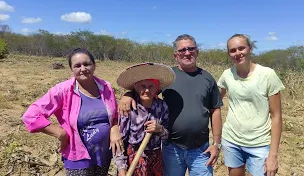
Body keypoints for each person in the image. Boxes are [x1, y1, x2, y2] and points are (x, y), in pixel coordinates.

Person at [118, 34, 223, 176]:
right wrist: (127, 95)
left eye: (191, 49)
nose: (187, 52)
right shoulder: (169, 77)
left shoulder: (207, 78)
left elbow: (215, 110)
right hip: (172, 148)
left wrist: (216, 144)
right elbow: (146, 92)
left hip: (201, 149)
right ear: (176, 55)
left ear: (197, 51)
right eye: (182, 50)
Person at [22, 48, 124, 176]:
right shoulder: (62, 90)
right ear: (71, 69)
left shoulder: (106, 87)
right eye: (77, 65)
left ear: (94, 65)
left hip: (104, 154)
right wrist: (60, 133)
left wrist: (114, 128)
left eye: (86, 64)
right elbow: (30, 115)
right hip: (77, 157)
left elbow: (114, 115)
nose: (83, 68)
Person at [217, 34, 285, 176]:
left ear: (250, 48)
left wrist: (273, 155)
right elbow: (215, 101)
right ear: (229, 53)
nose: (238, 53)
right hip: (231, 140)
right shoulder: (227, 75)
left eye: (241, 48)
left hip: (259, 143)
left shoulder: (267, 74)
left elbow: (276, 116)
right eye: (233, 50)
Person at [114, 63, 175, 176]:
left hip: (155, 159)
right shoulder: (128, 108)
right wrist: (122, 169)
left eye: (151, 86)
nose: (146, 90)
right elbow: (120, 142)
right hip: (132, 158)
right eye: (143, 86)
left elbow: (166, 136)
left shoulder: (162, 106)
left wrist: (160, 129)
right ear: (136, 87)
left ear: (157, 88)